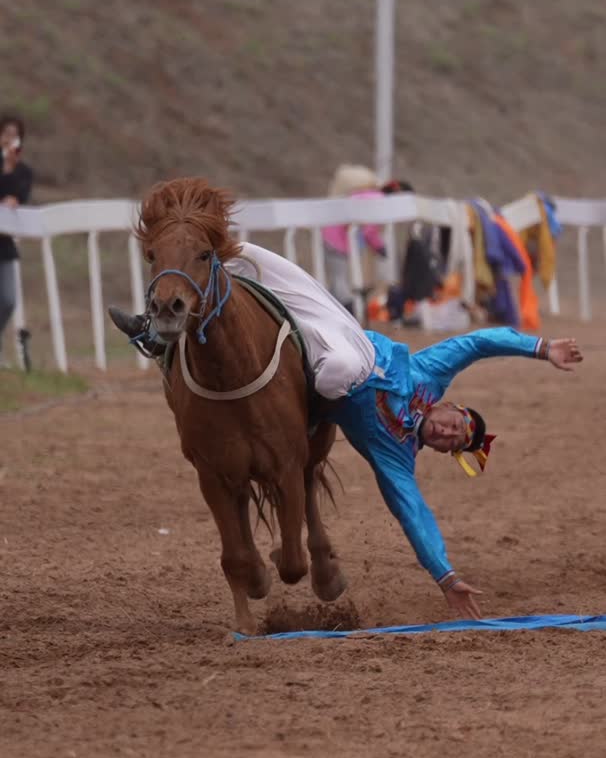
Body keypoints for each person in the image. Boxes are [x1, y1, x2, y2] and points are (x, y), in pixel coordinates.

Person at [108, 240, 582, 620]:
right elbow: (479, 341)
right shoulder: (429, 373)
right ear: (452, 407)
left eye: (452, 444)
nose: (448, 435)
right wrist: (541, 348)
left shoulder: (395, 453)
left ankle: (159, 341)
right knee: (246, 253)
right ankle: (156, 325)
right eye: (457, 427)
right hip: (341, 336)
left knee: (326, 377)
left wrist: (446, 576)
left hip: (317, 384)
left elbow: (411, 510)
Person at [322, 164, 388, 314]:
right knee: (343, 278)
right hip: (339, 242)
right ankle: (347, 309)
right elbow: (370, 230)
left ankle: (335, 309)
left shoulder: (356, 196)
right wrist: (379, 246)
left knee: (338, 276)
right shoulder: (379, 202)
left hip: (331, 238)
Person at [0, 115, 33, 367]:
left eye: (14, 134)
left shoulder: (24, 171)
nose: (10, 138)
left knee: (9, 299)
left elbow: (20, 195)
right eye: (6, 133)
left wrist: (11, 169)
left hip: (5, 245)